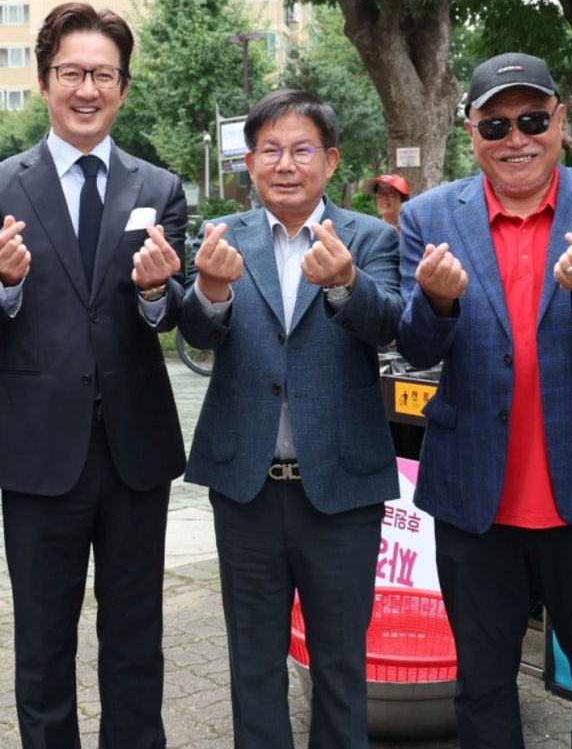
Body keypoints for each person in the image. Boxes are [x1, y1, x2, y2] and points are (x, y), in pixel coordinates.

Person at [396, 52, 572, 749]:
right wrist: (437, 302)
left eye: (533, 119)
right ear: (470, 130)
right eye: (496, 123)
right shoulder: (427, 216)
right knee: (481, 686)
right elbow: (416, 348)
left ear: (559, 121)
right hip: (475, 497)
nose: (516, 138)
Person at [179, 89, 402, 749]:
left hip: (340, 491)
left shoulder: (369, 237)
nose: (285, 163)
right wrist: (211, 291)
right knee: (252, 665)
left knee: (338, 664)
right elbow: (195, 333)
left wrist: (344, 285)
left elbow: (391, 329)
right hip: (245, 490)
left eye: (301, 149)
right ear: (249, 163)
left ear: (330, 161)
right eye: (270, 150)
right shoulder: (225, 236)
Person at [0, 2, 188, 748]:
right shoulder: (3, 188)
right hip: (37, 453)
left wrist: (153, 293)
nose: (87, 88)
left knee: (136, 635)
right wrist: (4, 287)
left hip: (134, 453)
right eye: (72, 73)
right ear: (45, 82)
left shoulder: (159, 188)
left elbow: (169, 313)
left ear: (122, 87)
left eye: (101, 75)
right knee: (44, 645)